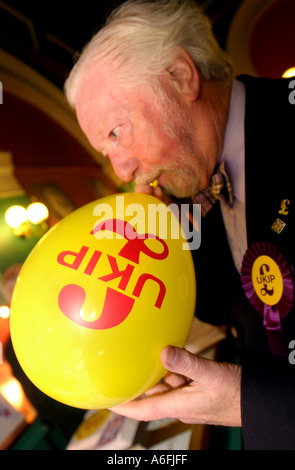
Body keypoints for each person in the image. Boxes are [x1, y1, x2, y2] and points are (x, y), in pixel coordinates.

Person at [64, 0, 295, 449]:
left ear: (181, 77)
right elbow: (224, 306)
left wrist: (246, 401)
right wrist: (157, 245)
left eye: (117, 133)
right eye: (105, 152)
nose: (123, 172)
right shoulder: (184, 197)